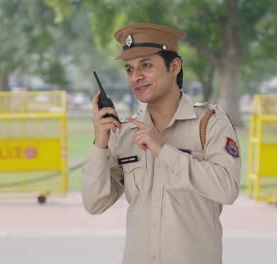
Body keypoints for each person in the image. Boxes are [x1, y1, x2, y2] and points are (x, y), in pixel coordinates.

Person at [82, 23, 241, 264]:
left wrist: (164, 150)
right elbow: (95, 203)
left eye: (146, 65)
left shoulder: (210, 123)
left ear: (174, 66)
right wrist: (100, 145)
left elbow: (227, 189)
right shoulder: (124, 133)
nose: (136, 77)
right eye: (129, 69)